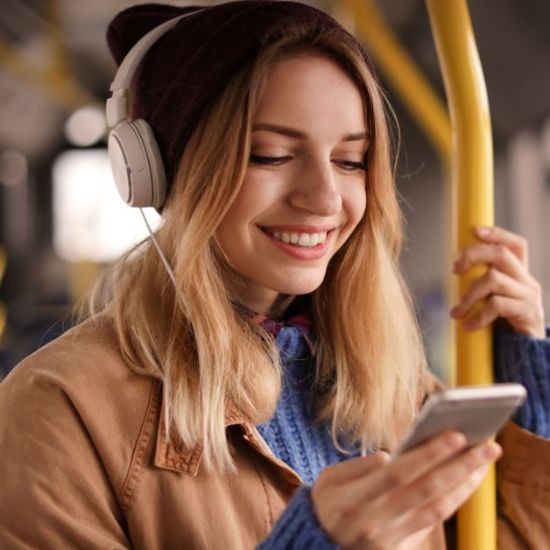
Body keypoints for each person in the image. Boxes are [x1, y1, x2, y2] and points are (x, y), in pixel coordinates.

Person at [0, 2, 549, 548]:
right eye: (270, 155)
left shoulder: (395, 389)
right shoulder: (58, 410)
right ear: (161, 175)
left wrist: (531, 392)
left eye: (350, 161)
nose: (324, 198)